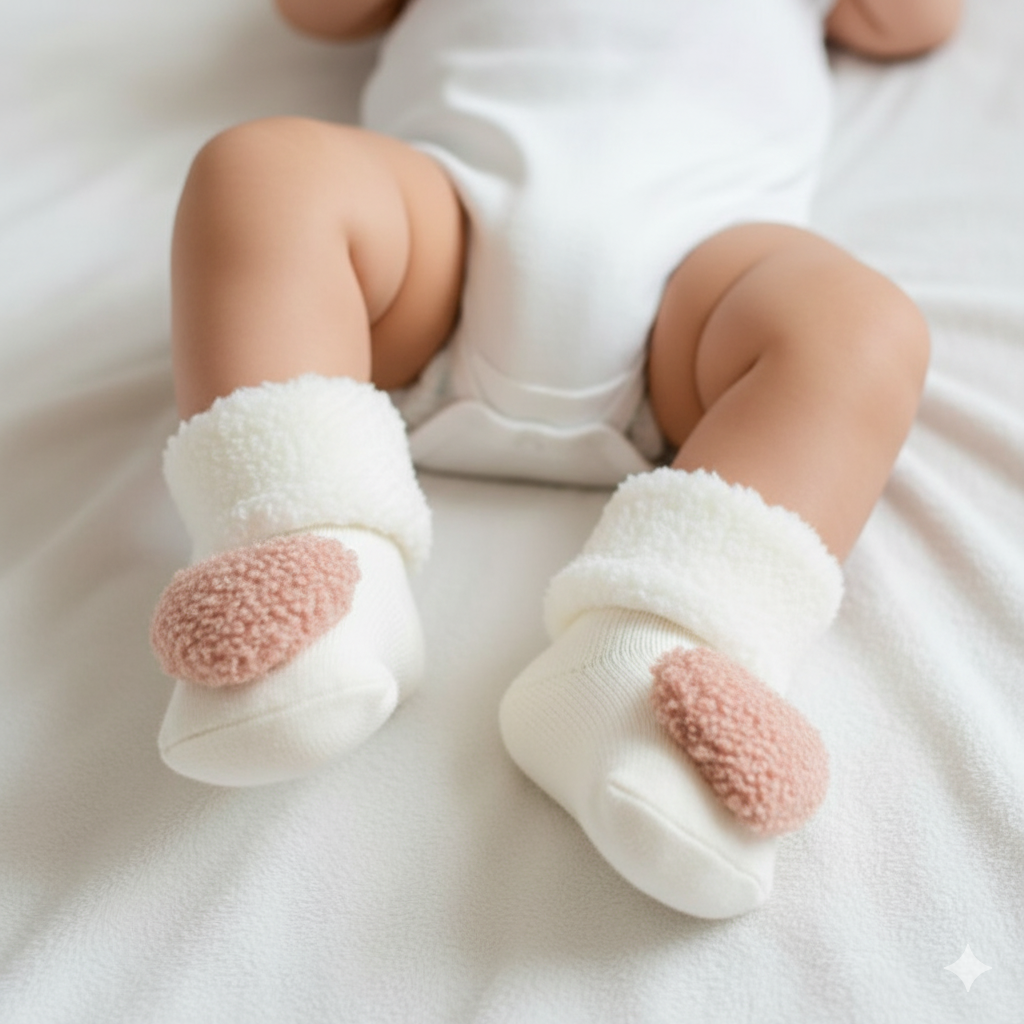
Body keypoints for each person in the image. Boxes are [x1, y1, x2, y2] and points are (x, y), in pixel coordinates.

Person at [149, 0, 962, 917]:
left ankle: (649, 668)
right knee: (259, 171)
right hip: (433, 259)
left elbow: (912, 20)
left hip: (700, 308)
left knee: (860, 329)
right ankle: (310, 555)